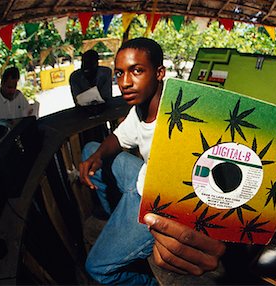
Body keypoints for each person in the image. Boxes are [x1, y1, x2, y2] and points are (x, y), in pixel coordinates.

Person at [79, 37, 225, 285]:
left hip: (158, 204)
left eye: (137, 71)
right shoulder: (140, 109)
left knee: (97, 269)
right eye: (119, 73)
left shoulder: (182, 116)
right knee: (91, 150)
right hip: (141, 178)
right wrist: (97, 156)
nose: (125, 83)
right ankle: (114, 218)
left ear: (159, 73)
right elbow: (118, 138)